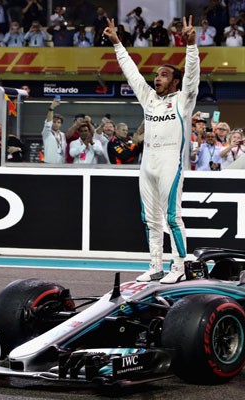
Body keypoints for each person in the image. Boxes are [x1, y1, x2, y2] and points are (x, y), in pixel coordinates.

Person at [103, 15, 199, 284]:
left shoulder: (183, 100)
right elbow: (132, 73)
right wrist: (118, 44)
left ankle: (178, 266)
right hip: (147, 163)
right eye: (156, 75)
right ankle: (155, 266)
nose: (157, 79)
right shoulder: (148, 99)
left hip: (169, 162)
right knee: (150, 219)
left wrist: (191, 46)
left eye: (164, 75)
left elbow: (192, 76)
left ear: (176, 82)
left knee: (172, 217)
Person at [41, 99, 67, 164]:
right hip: (49, 164)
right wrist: (51, 108)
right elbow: (48, 123)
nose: (56, 124)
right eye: (54, 122)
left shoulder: (62, 135)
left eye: (58, 122)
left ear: (61, 124)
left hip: (61, 164)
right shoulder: (47, 133)